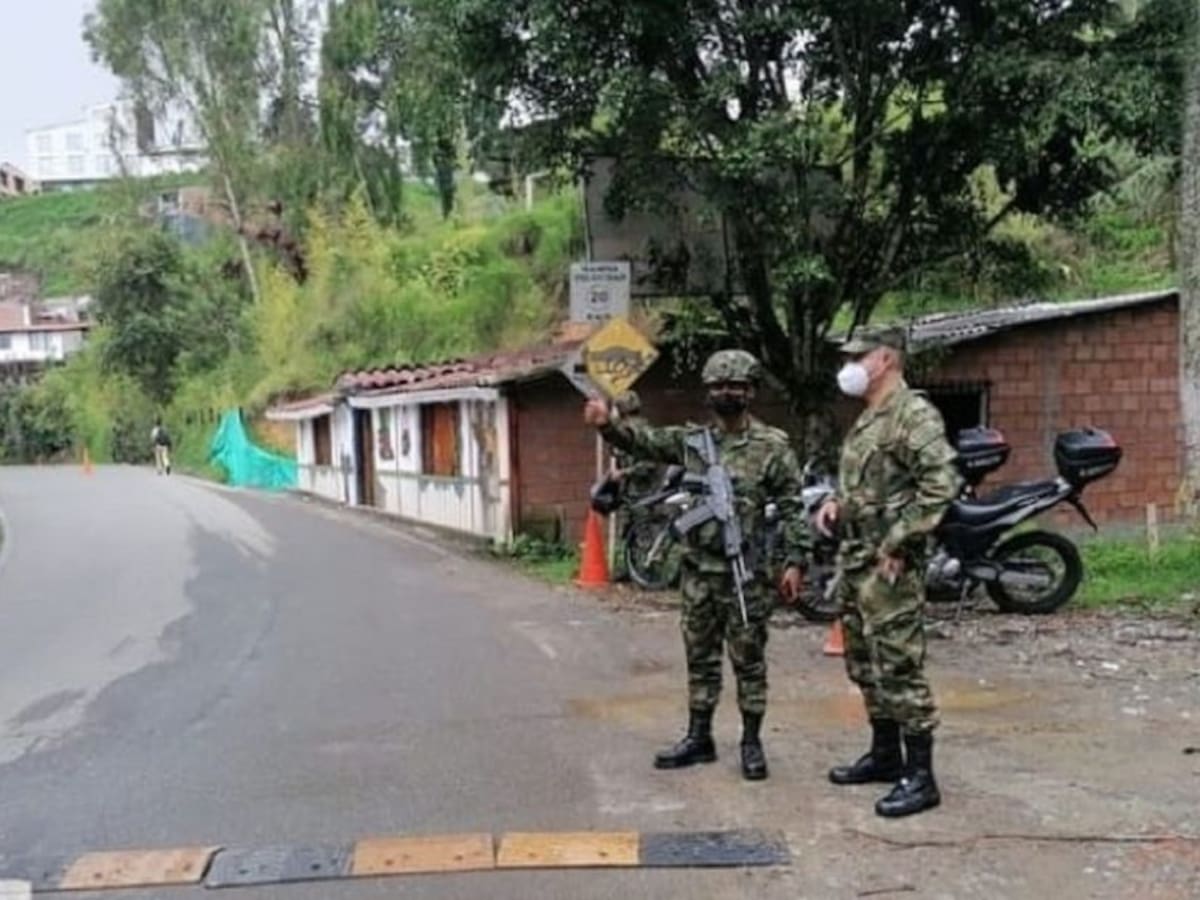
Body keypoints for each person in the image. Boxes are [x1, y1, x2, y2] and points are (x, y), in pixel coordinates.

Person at [584, 350, 808, 781]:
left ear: (751, 391)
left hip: (746, 572)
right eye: (720, 387)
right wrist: (606, 424)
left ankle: (751, 741)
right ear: (708, 393)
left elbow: (794, 508)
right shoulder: (692, 443)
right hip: (699, 570)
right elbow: (642, 442)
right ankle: (699, 737)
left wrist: (796, 561)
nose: (728, 393)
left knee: (749, 660)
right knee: (700, 656)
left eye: (737, 387)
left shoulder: (772, 447)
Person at [815, 327, 961, 817]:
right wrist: (838, 505)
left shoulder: (912, 414)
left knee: (899, 664)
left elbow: (940, 487)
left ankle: (921, 778)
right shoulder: (871, 417)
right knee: (862, 661)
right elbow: (875, 484)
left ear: (886, 358)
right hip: (857, 558)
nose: (850, 364)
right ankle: (884, 755)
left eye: (859, 355)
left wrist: (901, 541)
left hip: (890, 565)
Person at [607, 391, 663, 581]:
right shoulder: (625, 430)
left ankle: (647, 572)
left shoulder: (642, 431)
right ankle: (630, 570)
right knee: (628, 529)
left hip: (643, 490)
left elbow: (648, 466)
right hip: (629, 490)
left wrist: (624, 473)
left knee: (643, 531)